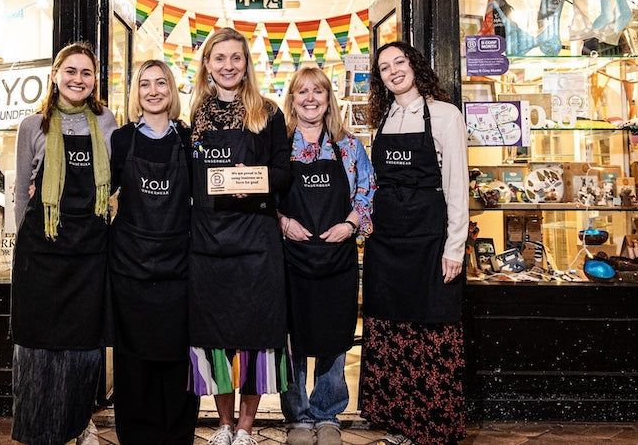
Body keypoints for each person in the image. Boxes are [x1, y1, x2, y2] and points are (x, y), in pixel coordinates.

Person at [359, 41, 468, 445]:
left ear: (414, 66)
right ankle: (401, 424)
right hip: (387, 243)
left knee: (430, 327)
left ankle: (433, 427)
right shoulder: (383, 118)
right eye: (384, 68)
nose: (393, 71)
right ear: (380, 79)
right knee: (392, 328)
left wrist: (454, 247)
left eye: (398, 62)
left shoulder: (444, 115)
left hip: (428, 239)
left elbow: (456, 184)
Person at [188, 28, 292, 445]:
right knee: (214, 337)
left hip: (256, 243)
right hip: (208, 243)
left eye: (236, 58)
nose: (228, 66)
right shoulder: (194, 116)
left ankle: (246, 428)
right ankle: (224, 424)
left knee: (255, 337)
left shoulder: (268, 113)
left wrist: (257, 182)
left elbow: (285, 171)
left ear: (247, 64)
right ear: (208, 65)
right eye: (220, 58)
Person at [11, 42, 117, 445]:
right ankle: (38, 428)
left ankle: (78, 421)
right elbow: (23, 190)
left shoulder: (107, 122)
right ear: (55, 75)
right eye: (70, 71)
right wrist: (26, 244)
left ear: (94, 80)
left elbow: (115, 180)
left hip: (90, 248)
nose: (78, 79)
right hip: (42, 247)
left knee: (83, 345)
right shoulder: (31, 126)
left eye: (86, 73)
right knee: (37, 345)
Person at [276, 67, 374, 445]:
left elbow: (367, 191)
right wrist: (283, 223)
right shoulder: (281, 146)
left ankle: (327, 413)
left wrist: (350, 225)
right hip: (292, 257)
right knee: (293, 336)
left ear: (328, 98)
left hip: (337, 258)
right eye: (302, 92)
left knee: (334, 336)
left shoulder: (348, 146)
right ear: (293, 99)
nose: (310, 98)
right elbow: (264, 197)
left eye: (318, 91)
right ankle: (298, 416)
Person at [109, 59, 199, 444]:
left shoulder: (188, 137)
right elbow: (101, 190)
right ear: (136, 93)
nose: (153, 91)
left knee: (177, 357)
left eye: (161, 83)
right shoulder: (122, 139)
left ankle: (176, 435)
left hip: (178, 264)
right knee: (134, 359)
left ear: (171, 90)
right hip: (131, 265)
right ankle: (137, 435)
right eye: (144, 84)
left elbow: (204, 196)